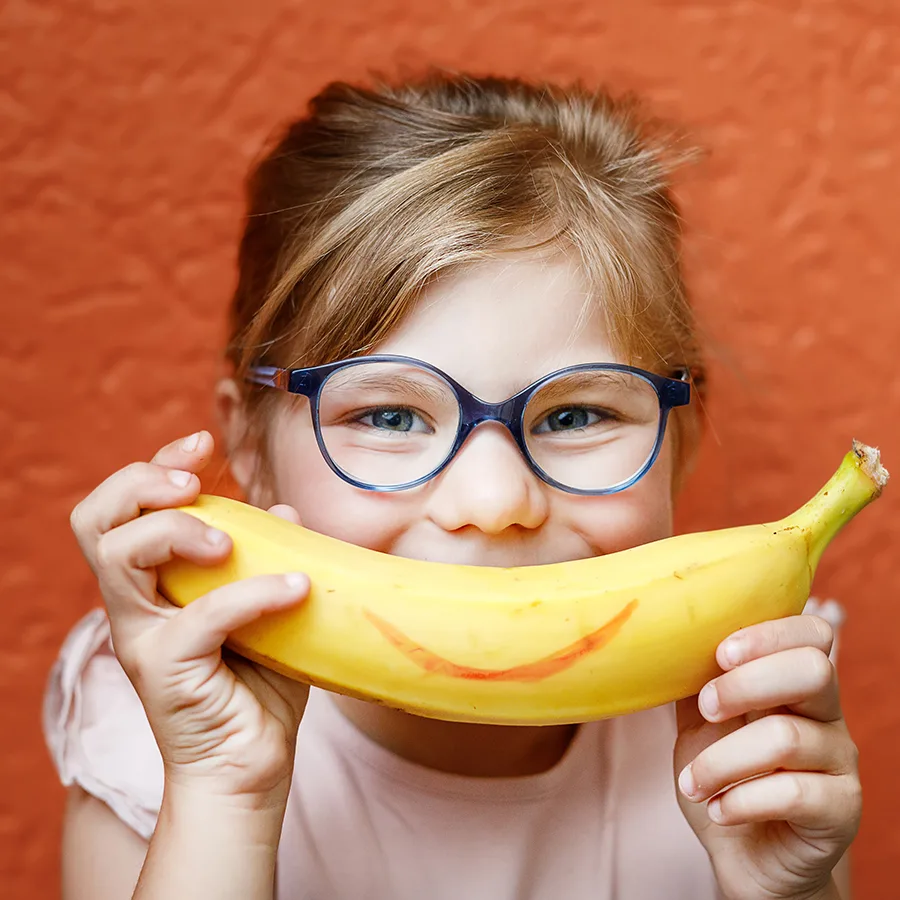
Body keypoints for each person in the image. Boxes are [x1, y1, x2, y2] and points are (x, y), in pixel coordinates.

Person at [44, 73, 860, 900]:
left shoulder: (749, 737)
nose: (494, 502)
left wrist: (786, 890)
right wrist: (223, 799)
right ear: (248, 445)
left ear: (681, 438)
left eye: (577, 415)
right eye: (391, 417)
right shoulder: (166, 752)